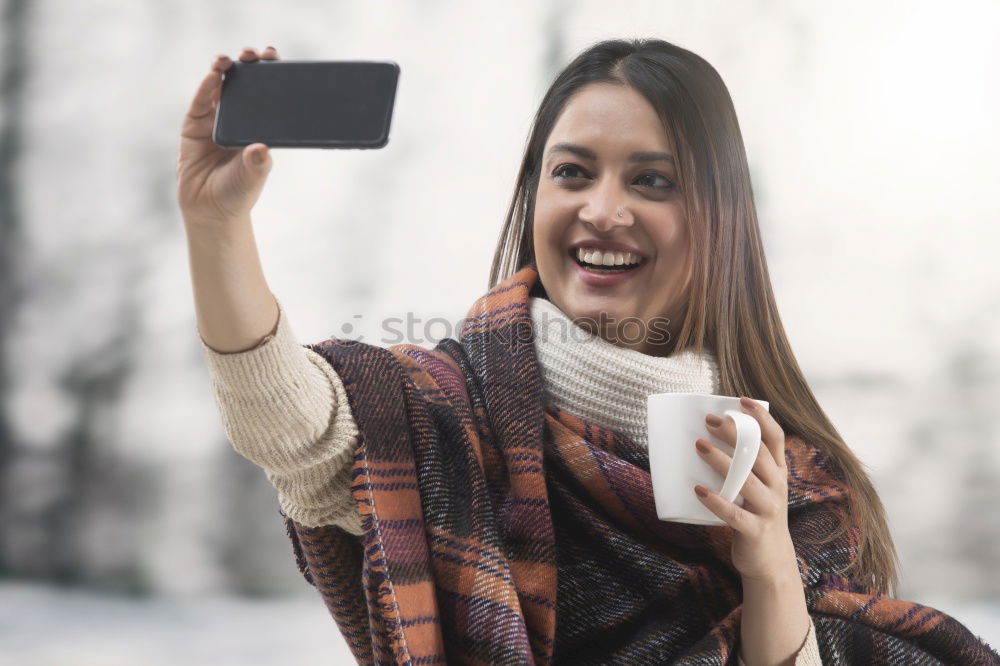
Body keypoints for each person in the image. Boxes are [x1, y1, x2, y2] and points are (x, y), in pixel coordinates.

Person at [177, 40, 1000, 665]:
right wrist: (217, 227)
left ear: (721, 218)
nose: (603, 211)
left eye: (653, 181)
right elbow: (291, 425)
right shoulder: (441, 411)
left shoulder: (803, 488)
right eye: (573, 172)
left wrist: (772, 572)